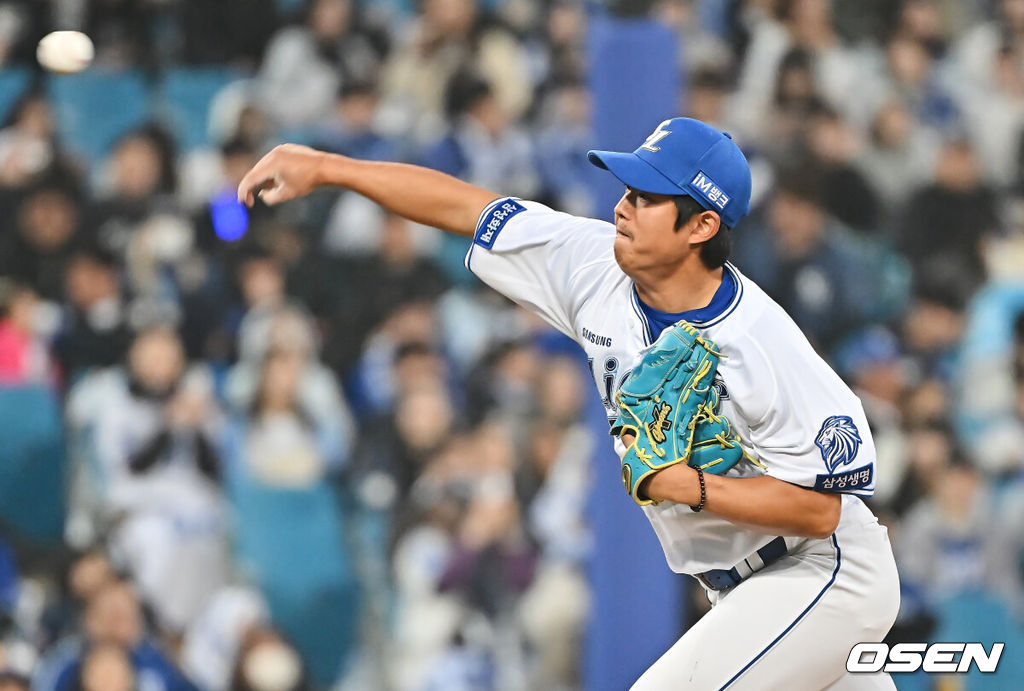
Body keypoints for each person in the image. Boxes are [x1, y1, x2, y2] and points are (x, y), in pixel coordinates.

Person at [237, 116, 901, 689]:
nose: (623, 206)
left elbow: (820, 509)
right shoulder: (593, 265)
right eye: (628, 187)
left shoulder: (759, 340)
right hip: (741, 586)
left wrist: (688, 483)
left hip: (822, 573)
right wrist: (328, 167)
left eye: (648, 196)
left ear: (701, 224)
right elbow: (464, 207)